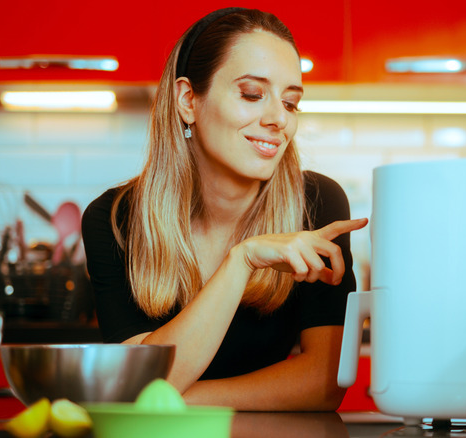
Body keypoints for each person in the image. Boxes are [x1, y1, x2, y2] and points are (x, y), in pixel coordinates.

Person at [81, 7, 367, 411]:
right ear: (187, 100)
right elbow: (141, 380)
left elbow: (324, 380)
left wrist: (180, 402)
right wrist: (241, 261)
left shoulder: (315, 202)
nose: (278, 120)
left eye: (290, 103)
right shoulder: (114, 219)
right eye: (252, 94)